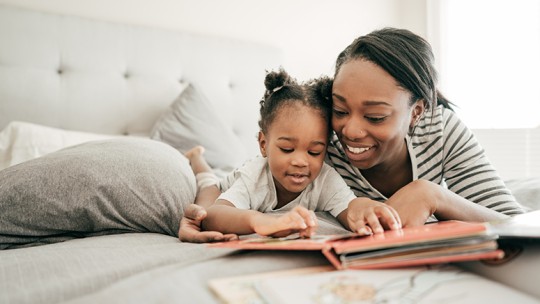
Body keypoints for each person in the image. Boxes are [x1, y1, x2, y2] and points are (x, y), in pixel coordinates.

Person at [179, 27, 525, 243]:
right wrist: (202, 213)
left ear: (417, 112)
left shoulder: (442, 130)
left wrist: (433, 195)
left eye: (375, 115)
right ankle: (198, 159)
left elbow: (517, 224)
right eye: (340, 110)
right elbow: (249, 188)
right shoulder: (317, 144)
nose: (350, 131)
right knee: (211, 177)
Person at [180, 69, 401, 241]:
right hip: (223, 186)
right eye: (287, 149)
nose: (300, 161)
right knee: (207, 190)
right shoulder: (254, 176)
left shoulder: (325, 179)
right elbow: (216, 215)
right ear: (264, 144)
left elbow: (349, 207)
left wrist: (366, 208)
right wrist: (259, 221)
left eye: (314, 152)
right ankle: (197, 157)